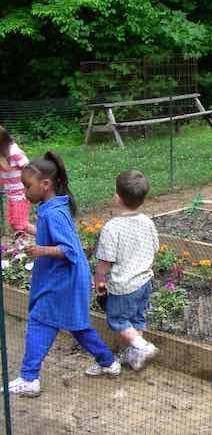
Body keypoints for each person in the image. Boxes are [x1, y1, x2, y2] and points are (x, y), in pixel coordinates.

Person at [9, 152, 119, 397]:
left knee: (40, 320)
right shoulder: (54, 205)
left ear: (45, 184)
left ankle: (29, 379)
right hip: (68, 278)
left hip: (64, 280)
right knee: (77, 325)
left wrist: (40, 250)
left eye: (28, 186)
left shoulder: (52, 212)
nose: (25, 191)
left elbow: (67, 249)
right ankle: (109, 363)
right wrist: (30, 228)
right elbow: (57, 236)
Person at [94, 169, 160, 370]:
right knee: (136, 319)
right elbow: (154, 249)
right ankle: (136, 356)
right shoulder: (147, 222)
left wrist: (99, 279)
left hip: (124, 286)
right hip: (144, 282)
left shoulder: (112, 228)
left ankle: (143, 346)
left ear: (117, 198)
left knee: (118, 320)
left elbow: (105, 262)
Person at [0, 125, 32, 246]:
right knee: (14, 223)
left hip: (20, 194)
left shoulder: (14, 152)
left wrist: (29, 186)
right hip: (11, 194)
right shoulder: (2, 156)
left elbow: (28, 167)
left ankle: (48, 238)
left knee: (21, 225)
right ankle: (21, 249)